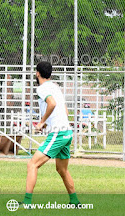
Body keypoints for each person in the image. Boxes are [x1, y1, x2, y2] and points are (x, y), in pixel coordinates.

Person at [21, 61, 80, 207]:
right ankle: (74, 201)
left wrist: (41, 122)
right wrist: (48, 123)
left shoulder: (41, 89)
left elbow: (52, 104)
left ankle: (27, 202)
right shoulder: (55, 87)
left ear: (37, 73)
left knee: (32, 165)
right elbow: (64, 111)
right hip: (67, 132)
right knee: (62, 169)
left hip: (59, 133)